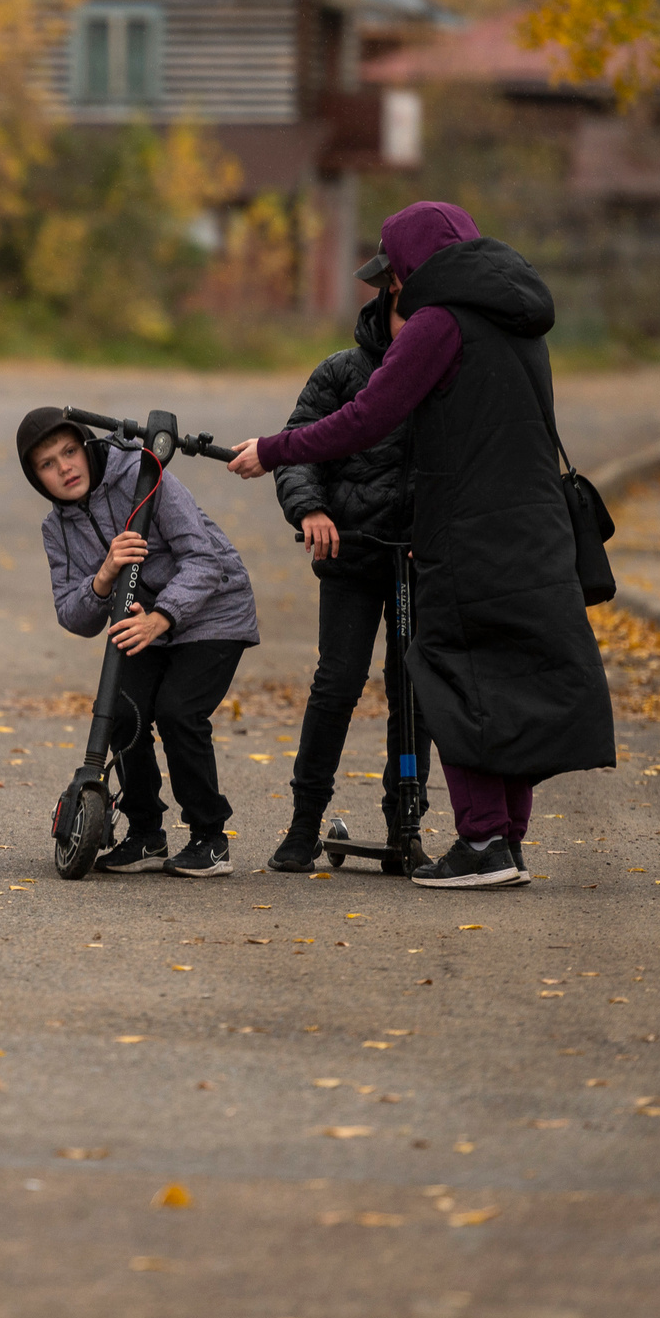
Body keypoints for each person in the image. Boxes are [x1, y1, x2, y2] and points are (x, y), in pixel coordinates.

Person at [226, 200, 614, 889]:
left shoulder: (439, 323)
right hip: (536, 527)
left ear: (412, 267)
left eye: (396, 276)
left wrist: (274, 450)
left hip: (471, 532)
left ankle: (480, 841)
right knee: (507, 677)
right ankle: (506, 842)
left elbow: (369, 415)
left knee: (451, 676)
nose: (394, 290)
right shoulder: (517, 320)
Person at [19, 406, 259, 877]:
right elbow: (73, 614)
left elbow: (204, 560)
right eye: (48, 463)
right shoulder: (56, 528)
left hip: (214, 610)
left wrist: (161, 619)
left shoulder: (143, 475)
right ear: (36, 478)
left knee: (177, 712)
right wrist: (104, 576)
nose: (64, 468)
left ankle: (210, 838)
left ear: (87, 448)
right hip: (144, 621)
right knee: (121, 714)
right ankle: (146, 834)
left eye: (70, 452)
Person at [266, 274, 433, 872]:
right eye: (401, 317)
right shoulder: (342, 372)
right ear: (383, 309)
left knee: (413, 692)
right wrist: (310, 509)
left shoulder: (445, 378)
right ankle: (304, 823)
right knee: (336, 684)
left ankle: (405, 823)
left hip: (418, 558)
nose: (410, 330)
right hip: (351, 550)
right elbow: (296, 444)